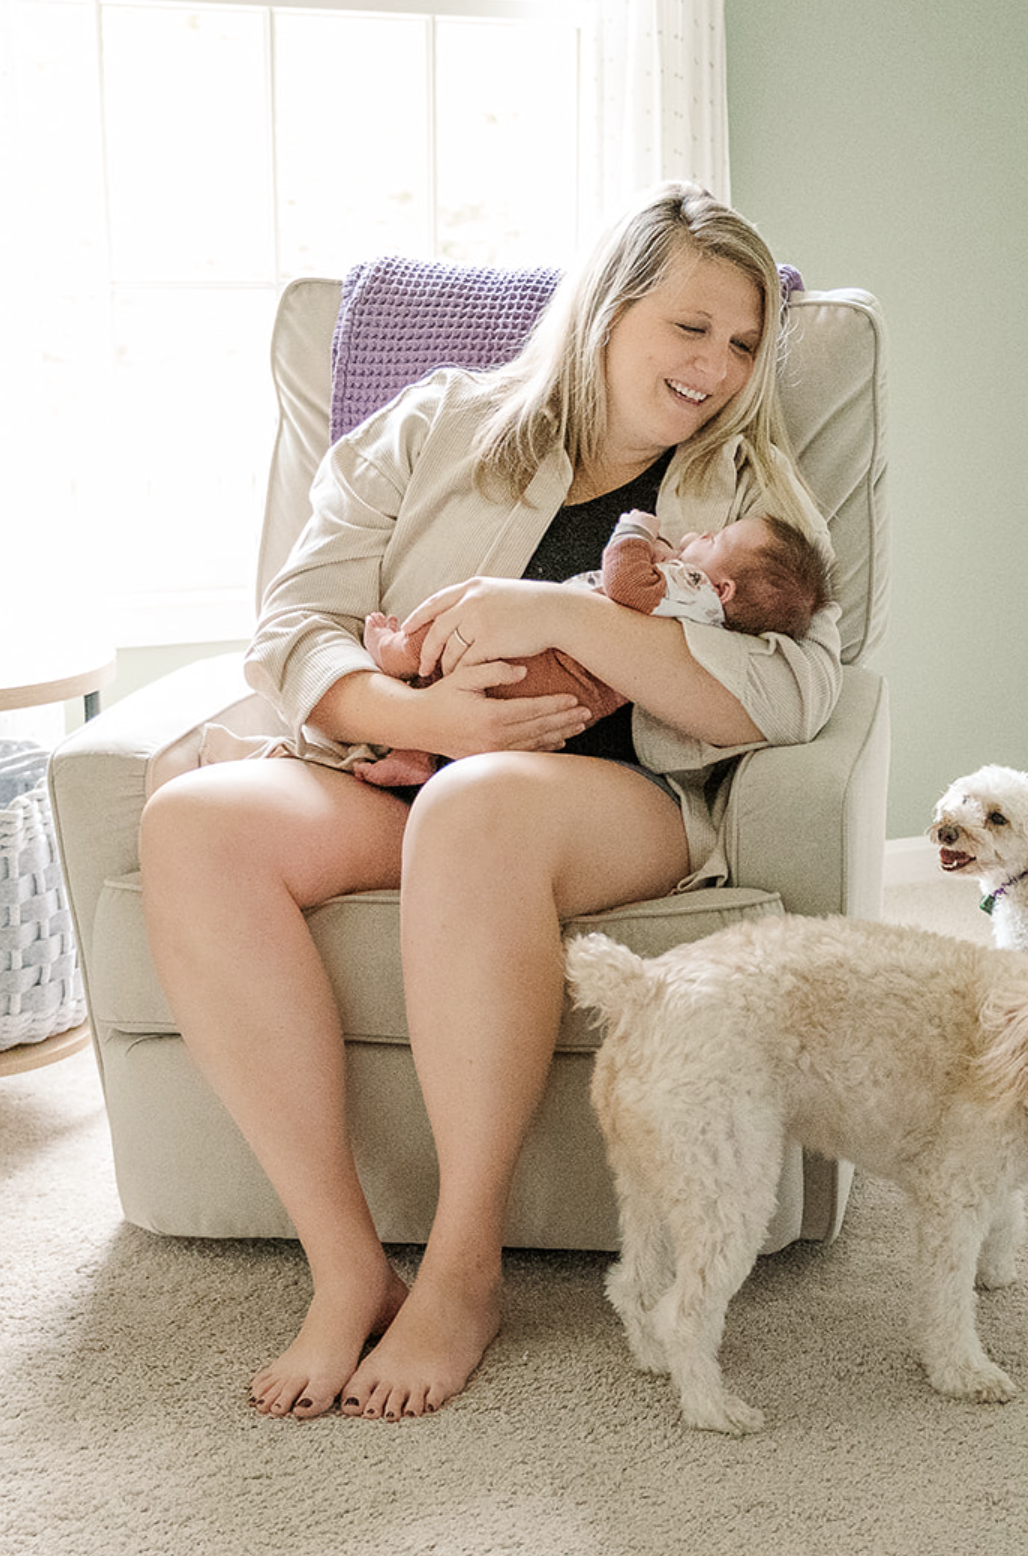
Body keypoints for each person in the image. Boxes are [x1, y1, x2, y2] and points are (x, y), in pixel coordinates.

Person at [136, 181, 843, 1423]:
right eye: (690, 328)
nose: (717, 367)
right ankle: (347, 1265)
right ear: (609, 310)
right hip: (397, 763)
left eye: (743, 343)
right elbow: (296, 622)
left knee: (481, 808)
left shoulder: (750, 484)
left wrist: (561, 615)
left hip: (609, 800)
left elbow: (795, 691)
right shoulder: (438, 428)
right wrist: (418, 719)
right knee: (194, 825)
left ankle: (462, 1270)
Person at [348, 507, 831, 787]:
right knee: (468, 689)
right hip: (576, 697)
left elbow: (625, 586)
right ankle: (414, 757)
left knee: (455, 634)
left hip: (555, 663)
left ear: (722, 590)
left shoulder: (692, 588)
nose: (701, 534)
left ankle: (395, 651)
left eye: (717, 537)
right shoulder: (709, 616)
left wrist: (635, 532)